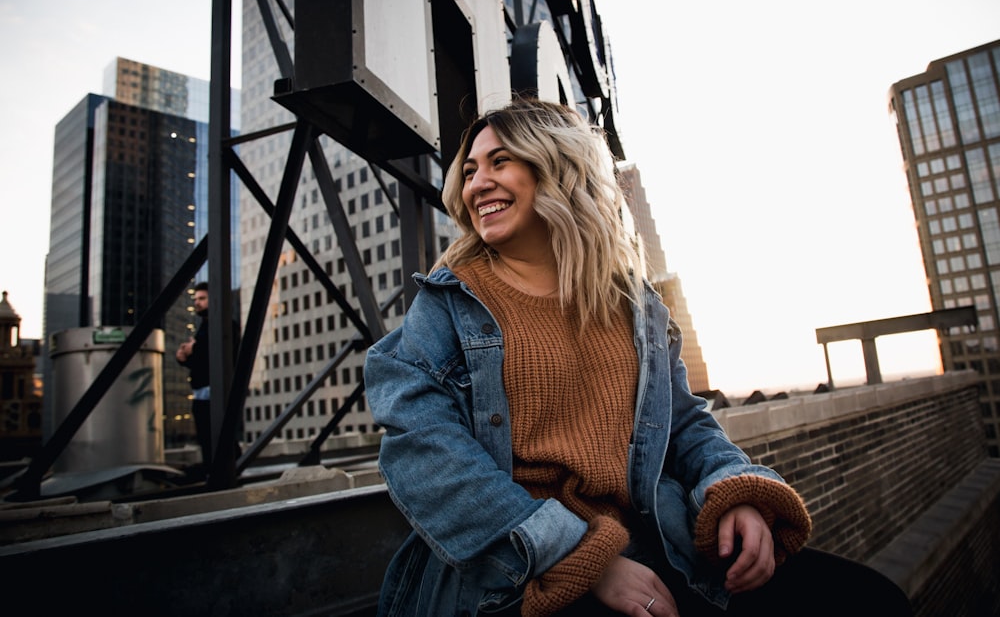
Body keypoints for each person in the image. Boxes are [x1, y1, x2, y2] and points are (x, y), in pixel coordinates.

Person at [364, 98, 912, 617]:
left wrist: (732, 489)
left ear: (556, 170)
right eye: (470, 170)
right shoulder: (448, 303)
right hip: (515, 569)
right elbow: (422, 450)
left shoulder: (630, 303)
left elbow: (683, 423)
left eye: (500, 162)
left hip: (654, 541)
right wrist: (582, 560)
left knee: (872, 600)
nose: (477, 182)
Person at [176, 281, 240, 472]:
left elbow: (219, 354)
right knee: (208, 438)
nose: (197, 302)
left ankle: (223, 473)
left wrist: (193, 348)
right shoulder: (204, 327)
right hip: (202, 392)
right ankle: (216, 471)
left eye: (202, 299)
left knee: (218, 437)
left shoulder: (224, 324)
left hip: (216, 391)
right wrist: (184, 357)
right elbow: (202, 362)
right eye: (196, 299)